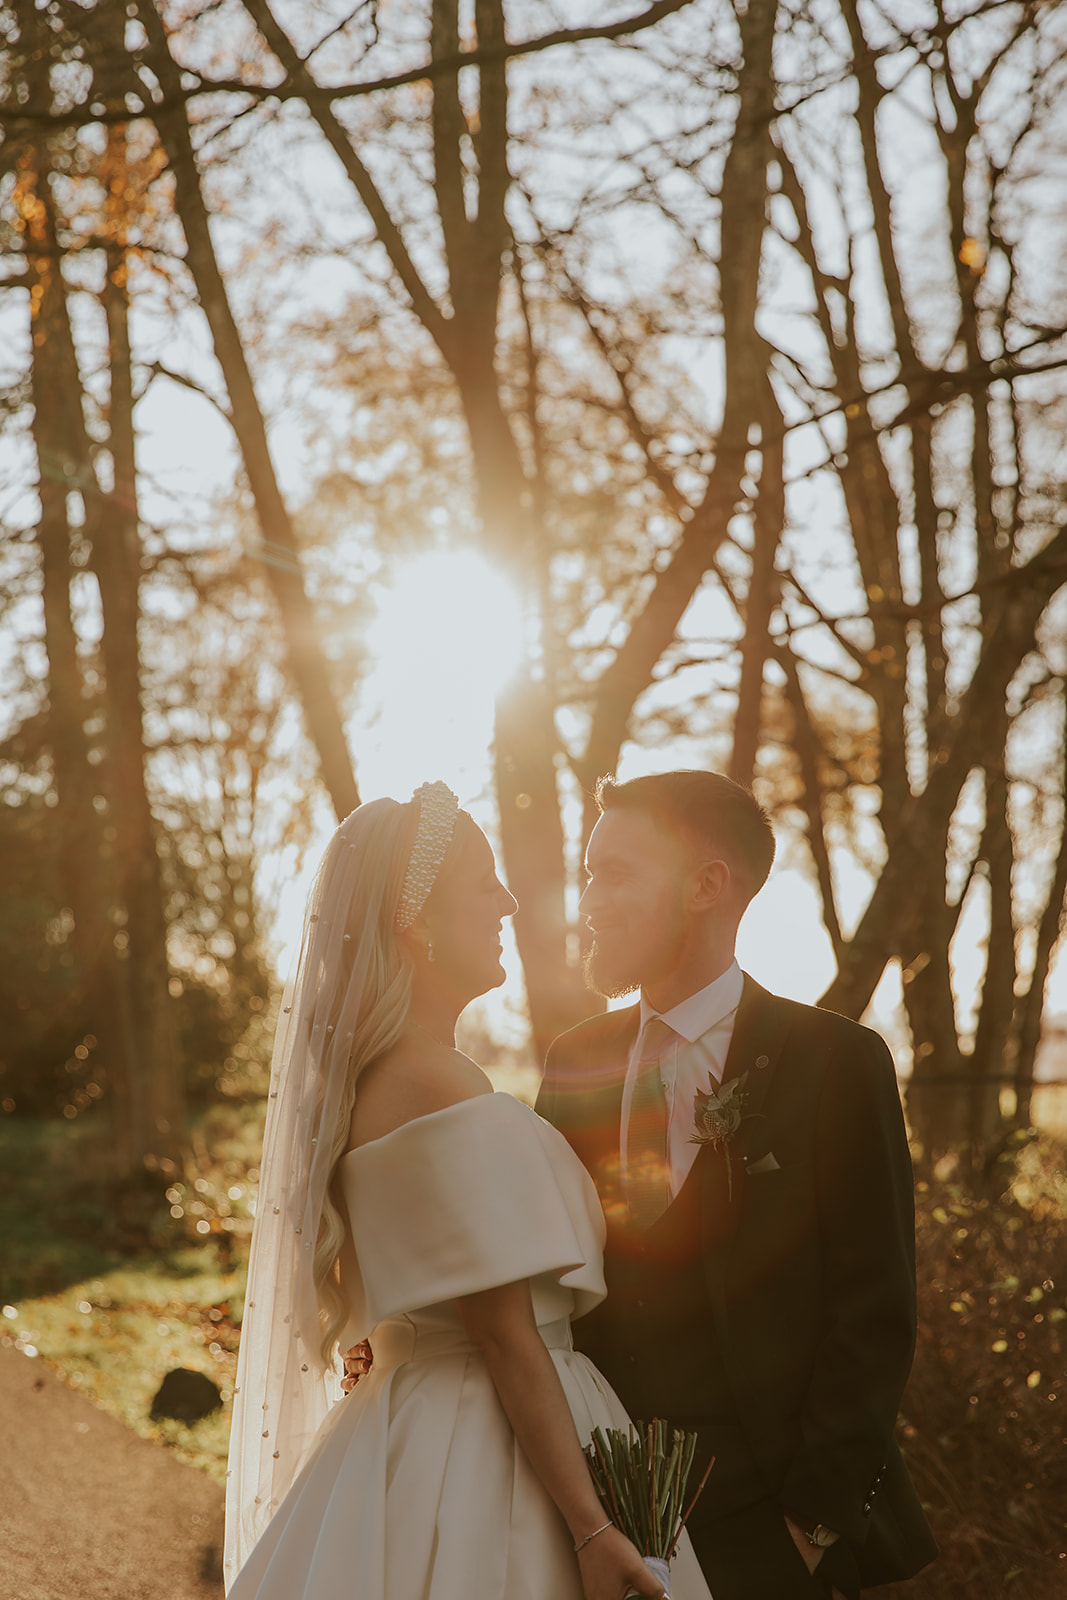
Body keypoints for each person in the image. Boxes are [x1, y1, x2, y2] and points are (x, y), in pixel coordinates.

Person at [224, 781, 710, 1600]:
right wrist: (591, 1530)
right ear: (417, 922)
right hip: (489, 1438)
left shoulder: (383, 1081)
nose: (509, 900)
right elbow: (503, 1336)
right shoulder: (436, 1084)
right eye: (485, 884)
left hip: (416, 1420)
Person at [535, 770, 938, 1600]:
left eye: (616, 873)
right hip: (602, 1514)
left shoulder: (836, 1063)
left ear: (706, 885)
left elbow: (875, 1307)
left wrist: (811, 1526)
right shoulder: (574, 1060)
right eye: (587, 874)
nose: (590, 901)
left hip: (771, 1528)